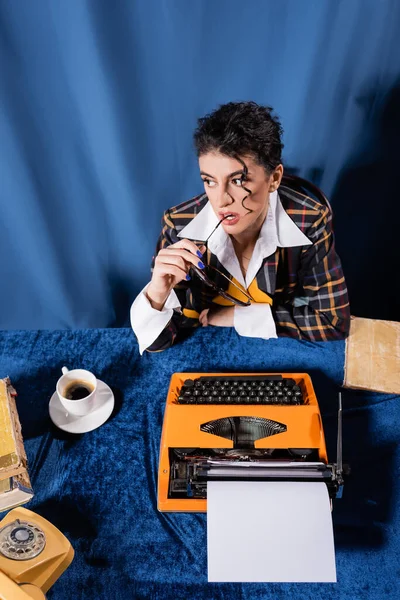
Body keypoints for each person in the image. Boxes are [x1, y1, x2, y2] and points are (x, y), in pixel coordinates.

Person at [130, 101, 350, 353]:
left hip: (275, 352)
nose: (221, 200)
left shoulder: (308, 220)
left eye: (237, 180)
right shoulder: (179, 225)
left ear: (274, 178)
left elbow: (333, 323)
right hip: (205, 353)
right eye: (209, 181)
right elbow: (159, 344)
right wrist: (157, 294)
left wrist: (239, 316)